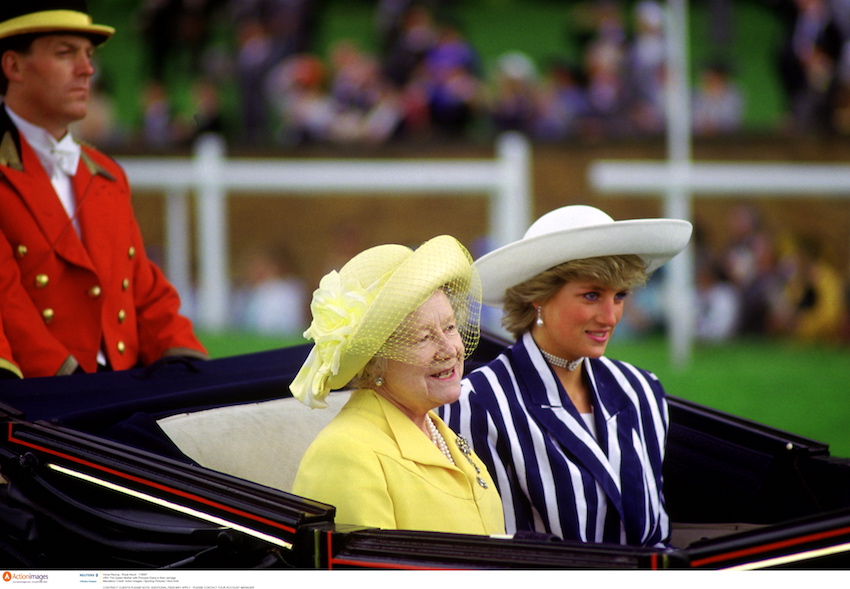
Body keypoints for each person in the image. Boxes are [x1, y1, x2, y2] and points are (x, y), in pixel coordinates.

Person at [441, 205, 693, 547]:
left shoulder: (641, 391)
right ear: (538, 297)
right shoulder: (477, 402)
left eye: (619, 296)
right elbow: (493, 548)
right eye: (592, 295)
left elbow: (656, 535)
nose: (611, 316)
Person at [0, 2, 208, 378]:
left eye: (88, 55)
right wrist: (76, 386)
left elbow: (143, 293)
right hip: (42, 404)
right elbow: (7, 305)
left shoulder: (108, 175)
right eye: (65, 53)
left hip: (117, 397)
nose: (87, 70)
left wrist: (189, 364)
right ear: (13, 66)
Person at [290, 235, 504, 535]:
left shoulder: (439, 432)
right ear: (377, 361)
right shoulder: (345, 454)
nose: (450, 349)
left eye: (450, 327)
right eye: (424, 337)